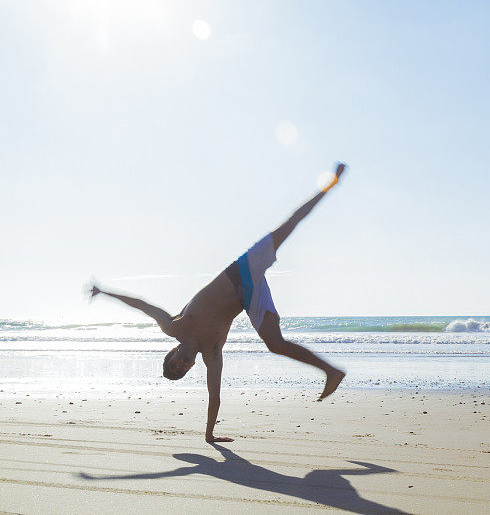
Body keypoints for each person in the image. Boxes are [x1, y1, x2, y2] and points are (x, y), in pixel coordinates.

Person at [90, 163, 347, 443]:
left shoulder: (173, 326)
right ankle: (331, 371)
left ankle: (330, 183)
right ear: (190, 368)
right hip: (250, 298)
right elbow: (215, 395)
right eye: (182, 370)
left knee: (289, 224)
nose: (181, 364)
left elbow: (139, 303)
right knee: (275, 344)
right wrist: (209, 435)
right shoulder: (212, 354)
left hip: (242, 270)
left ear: (173, 352)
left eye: (174, 363)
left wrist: (103, 292)